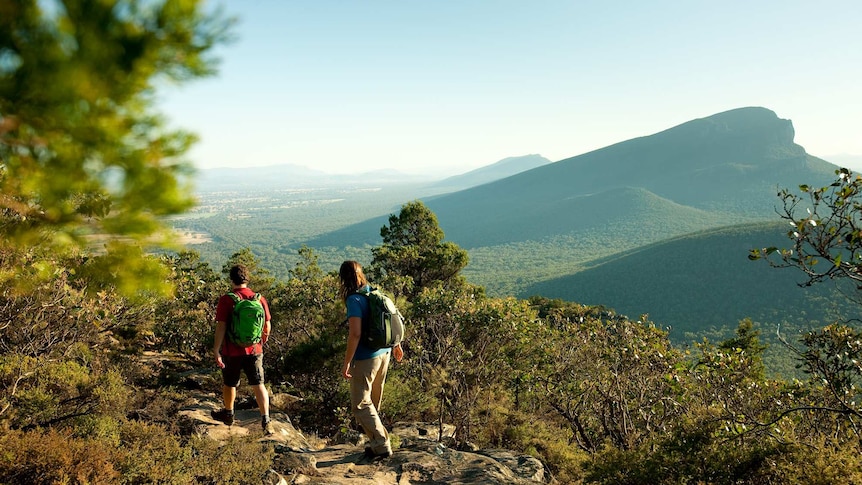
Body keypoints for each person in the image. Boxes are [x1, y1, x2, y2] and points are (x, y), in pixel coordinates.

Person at [339, 260, 404, 459]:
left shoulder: (354, 300)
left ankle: (382, 444)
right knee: (373, 400)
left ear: (343, 279)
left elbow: (355, 334)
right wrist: (396, 344)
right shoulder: (375, 293)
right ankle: (376, 441)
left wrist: (347, 362)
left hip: (367, 358)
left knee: (360, 403)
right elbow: (395, 319)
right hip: (384, 354)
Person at [211, 264, 274, 435]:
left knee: (230, 383)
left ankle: (229, 413)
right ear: (247, 279)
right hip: (254, 350)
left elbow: (221, 326)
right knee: (258, 383)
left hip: (232, 351)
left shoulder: (227, 299)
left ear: (231, 279)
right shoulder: (259, 299)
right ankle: (266, 419)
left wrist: (216, 349)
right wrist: (260, 342)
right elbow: (267, 325)